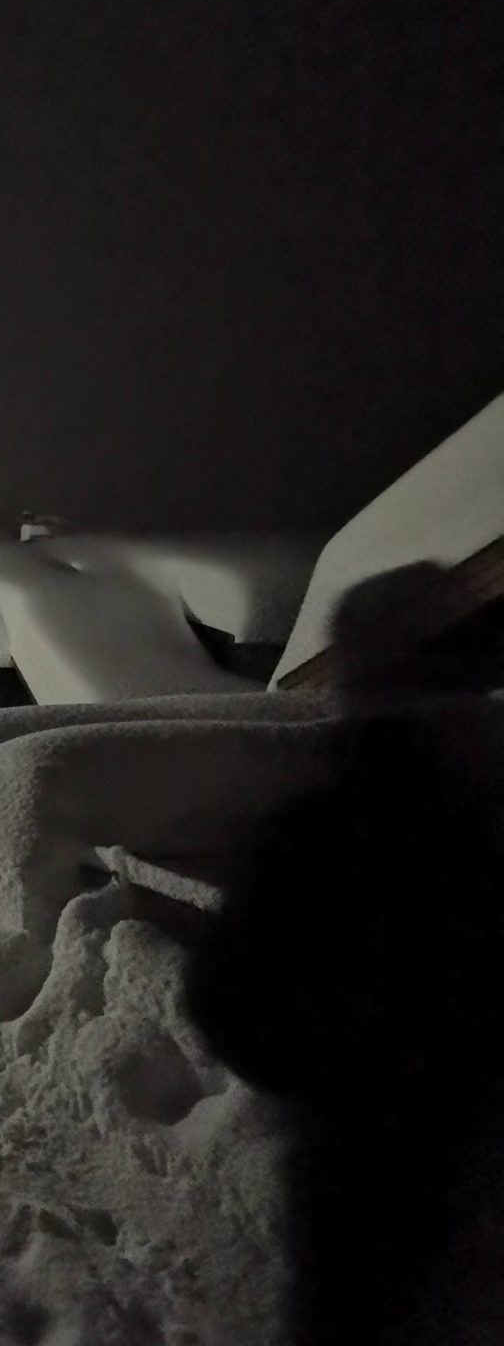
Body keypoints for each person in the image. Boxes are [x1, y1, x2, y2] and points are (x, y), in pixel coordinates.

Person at [186, 565, 504, 1344]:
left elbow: (230, 998)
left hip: (371, 1182)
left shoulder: (324, 830)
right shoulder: (470, 815)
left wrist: (349, 1077)